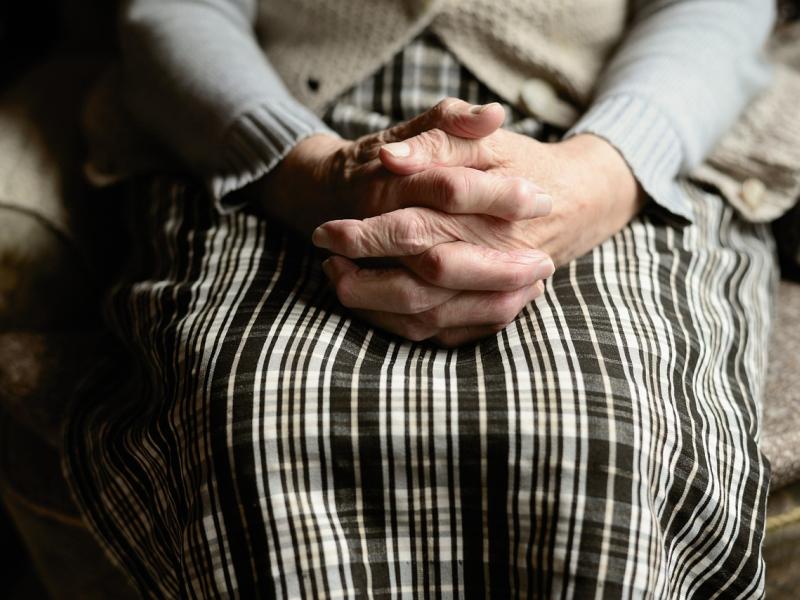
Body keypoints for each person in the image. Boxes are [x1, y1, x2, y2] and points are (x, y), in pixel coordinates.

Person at [66, 0, 782, 597]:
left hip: (604, 136)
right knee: (259, 421)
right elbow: (176, 12)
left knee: (602, 435)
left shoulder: (606, 156)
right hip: (276, 137)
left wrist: (599, 173)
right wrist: (307, 171)